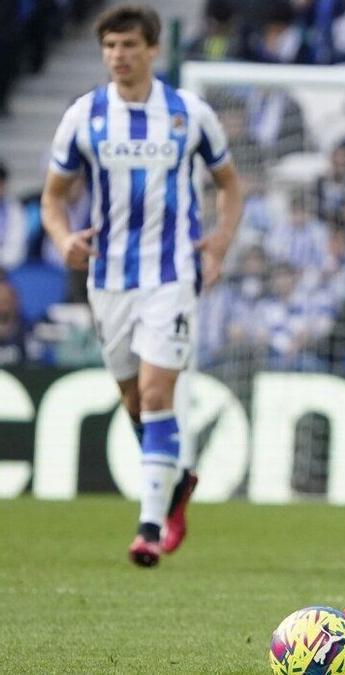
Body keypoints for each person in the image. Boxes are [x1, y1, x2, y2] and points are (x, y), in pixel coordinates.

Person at [40, 4, 243, 567]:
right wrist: (61, 240)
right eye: (109, 47)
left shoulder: (188, 113)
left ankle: (149, 528)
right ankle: (176, 486)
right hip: (108, 280)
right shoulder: (84, 115)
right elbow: (53, 197)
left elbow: (230, 185)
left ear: (153, 49)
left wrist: (220, 241)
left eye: (129, 45)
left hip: (172, 273)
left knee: (156, 395)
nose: (118, 56)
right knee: (133, 400)